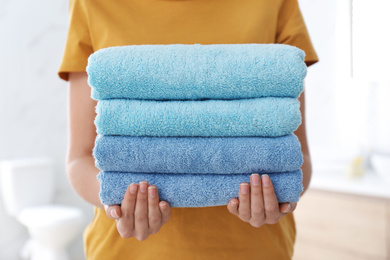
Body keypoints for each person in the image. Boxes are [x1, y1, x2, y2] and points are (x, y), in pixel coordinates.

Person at [58, 0, 318, 259]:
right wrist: (117, 203)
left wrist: (279, 197)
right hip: (128, 251)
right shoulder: (90, 3)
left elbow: (295, 157)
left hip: (255, 251)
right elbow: (80, 157)